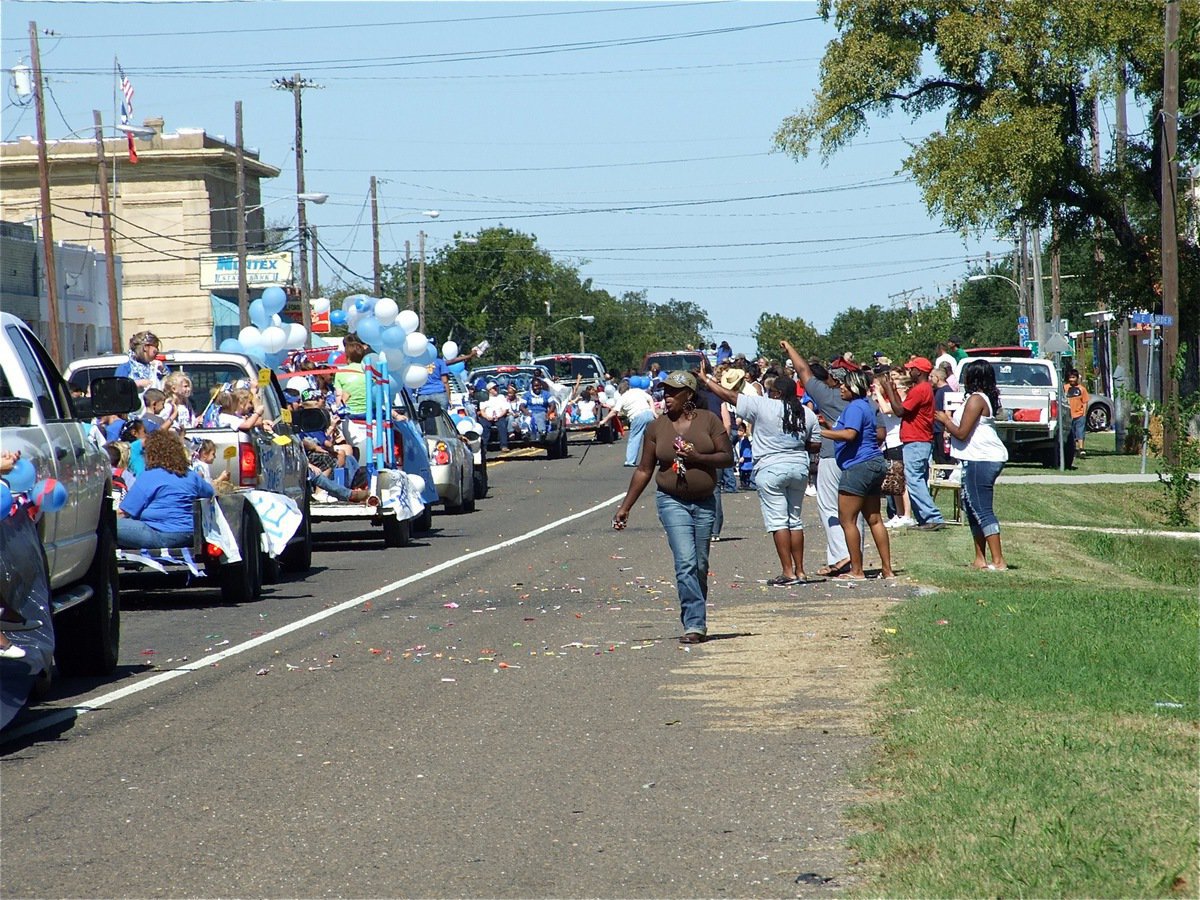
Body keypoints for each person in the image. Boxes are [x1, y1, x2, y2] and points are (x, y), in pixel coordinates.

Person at [612, 371, 733, 644]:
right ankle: (694, 624)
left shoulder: (709, 421)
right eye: (664, 392)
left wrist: (698, 456)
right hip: (672, 501)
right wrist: (625, 507)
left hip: (704, 502)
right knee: (686, 562)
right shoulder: (657, 428)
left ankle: (695, 616)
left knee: (700, 565)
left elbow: (727, 458)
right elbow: (644, 470)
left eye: (672, 392)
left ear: (688, 395)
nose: (666, 397)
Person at [703, 365, 819, 585]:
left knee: (778, 522)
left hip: (770, 468)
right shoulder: (807, 413)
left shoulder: (764, 405)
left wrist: (706, 380)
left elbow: (728, 395)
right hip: (798, 468)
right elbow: (814, 444)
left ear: (776, 393)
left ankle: (788, 572)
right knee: (794, 520)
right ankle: (801, 570)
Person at [782, 340, 861, 577]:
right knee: (856, 511)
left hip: (832, 455)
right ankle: (856, 557)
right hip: (859, 457)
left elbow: (804, 371)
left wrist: (790, 348)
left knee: (829, 507)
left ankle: (840, 556)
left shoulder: (827, 396)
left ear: (835, 380)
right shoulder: (864, 401)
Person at [819, 369, 894, 580]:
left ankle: (857, 570)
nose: (840, 388)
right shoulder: (867, 406)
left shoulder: (854, 407)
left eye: (844, 385)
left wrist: (821, 432)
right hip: (874, 463)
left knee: (847, 520)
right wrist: (829, 425)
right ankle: (887, 569)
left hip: (858, 466)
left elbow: (850, 434)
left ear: (854, 387)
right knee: (875, 519)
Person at [936, 359, 1009, 570]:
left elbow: (961, 432)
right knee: (971, 507)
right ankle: (980, 559)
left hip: (982, 458)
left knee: (982, 508)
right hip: (974, 457)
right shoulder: (976, 398)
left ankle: (998, 560)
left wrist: (945, 420)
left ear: (972, 377)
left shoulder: (976, 400)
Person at [117, 430, 214, 549]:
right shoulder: (191, 475)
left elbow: (126, 511)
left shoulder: (149, 476)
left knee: (108, 524)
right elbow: (209, 492)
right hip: (190, 534)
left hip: (160, 534)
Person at [881, 356, 947, 531]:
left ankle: (932, 516)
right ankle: (925, 518)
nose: (909, 371)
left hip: (916, 440)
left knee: (914, 479)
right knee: (918, 479)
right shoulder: (924, 388)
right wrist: (894, 391)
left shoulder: (920, 390)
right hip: (920, 440)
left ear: (920, 371)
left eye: (912, 368)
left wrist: (888, 389)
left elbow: (900, 410)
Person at [875, 368, 914, 529]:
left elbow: (886, 409)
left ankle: (907, 514)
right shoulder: (889, 399)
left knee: (901, 482)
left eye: (896, 387)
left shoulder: (900, 402)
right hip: (889, 443)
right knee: (894, 481)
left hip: (898, 441)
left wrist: (878, 391)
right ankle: (898, 513)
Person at [598, 378, 656, 467]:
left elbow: (614, 411)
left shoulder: (622, 398)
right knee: (651, 438)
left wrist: (604, 420)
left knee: (634, 438)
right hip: (648, 413)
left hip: (637, 416)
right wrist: (653, 411)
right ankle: (658, 457)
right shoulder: (638, 391)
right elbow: (650, 399)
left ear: (620, 391)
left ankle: (630, 460)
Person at [477, 382, 511, 451]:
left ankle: (504, 446)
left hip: (499, 416)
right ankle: (484, 447)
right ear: (489, 390)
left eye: (496, 388)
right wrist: (487, 417)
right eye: (494, 388)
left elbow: (505, 409)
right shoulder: (484, 398)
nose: (496, 389)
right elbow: (482, 411)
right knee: (485, 426)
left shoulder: (501, 397)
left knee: (502, 425)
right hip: (487, 417)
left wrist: (499, 416)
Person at [1066, 370, 1089, 458]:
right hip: (1068, 415)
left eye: (1073, 377)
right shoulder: (1065, 388)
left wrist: (1084, 413)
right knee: (1071, 433)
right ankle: (1073, 449)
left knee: (1080, 432)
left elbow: (1085, 402)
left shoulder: (1082, 389)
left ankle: (1081, 449)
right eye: (1070, 377)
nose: (1072, 379)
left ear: (1077, 378)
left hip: (1079, 414)